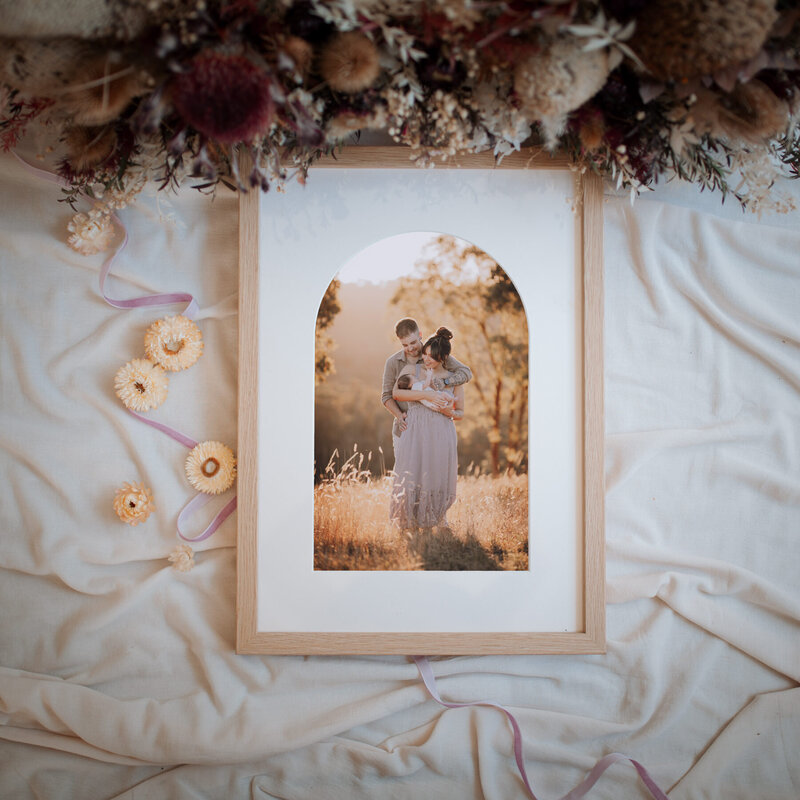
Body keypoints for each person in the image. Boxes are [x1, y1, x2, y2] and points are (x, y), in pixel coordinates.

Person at [389, 327, 464, 530]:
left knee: (437, 473)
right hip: (415, 430)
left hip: (442, 431)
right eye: (425, 354)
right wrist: (427, 395)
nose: (427, 359)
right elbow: (397, 393)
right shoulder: (413, 370)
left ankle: (437, 518)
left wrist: (448, 411)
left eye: (432, 356)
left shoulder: (454, 377)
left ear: (444, 357)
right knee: (412, 471)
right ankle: (408, 521)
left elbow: (460, 413)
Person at [381, 317, 471, 449]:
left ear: (420, 335)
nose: (410, 348)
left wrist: (444, 382)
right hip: (405, 428)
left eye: (413, 342)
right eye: (405, 345)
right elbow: (387, 396)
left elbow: (466, 372)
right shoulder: (393, 362)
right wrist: (399, 416)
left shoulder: (435, 353)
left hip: (435, 430)